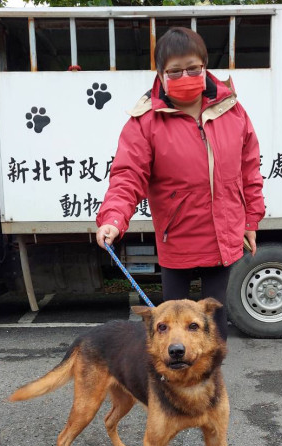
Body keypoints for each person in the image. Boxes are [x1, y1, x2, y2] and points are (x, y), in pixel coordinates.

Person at [95, 27, 265, 339]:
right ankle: (169, 388)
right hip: (177, 240)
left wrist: (251, 219)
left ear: (205, 66)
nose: (185, 75)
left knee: (215, 332)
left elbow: (249, 169)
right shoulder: (144, 121)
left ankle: (211, 388)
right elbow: (127, 175)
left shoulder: (232, 109)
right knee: (172, 335)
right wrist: (113, 218)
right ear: (160, 74)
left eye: (193, 68)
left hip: (223, 237)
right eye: (175, 70)